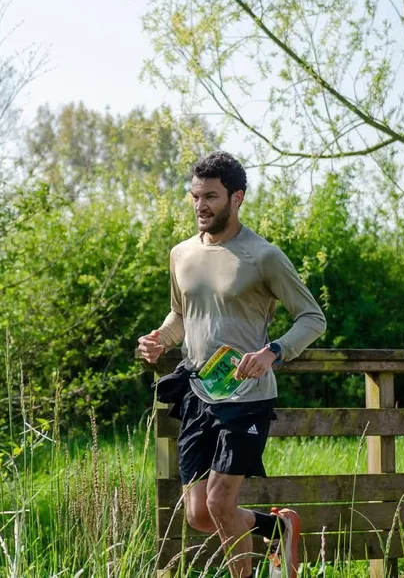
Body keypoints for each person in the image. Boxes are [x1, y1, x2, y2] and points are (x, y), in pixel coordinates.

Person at [137, 152, 326, 578]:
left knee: (222, 503)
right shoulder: (181, 254)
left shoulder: (263, 256)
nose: (201, 206)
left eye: (211, 197)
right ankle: (276, 528)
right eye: (195, 196)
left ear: (236, 198)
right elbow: (180, 316)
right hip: (198, 394)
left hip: (247, 396)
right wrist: (158, 340)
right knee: (200, 515)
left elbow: (313, 318)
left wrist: (272, 351)